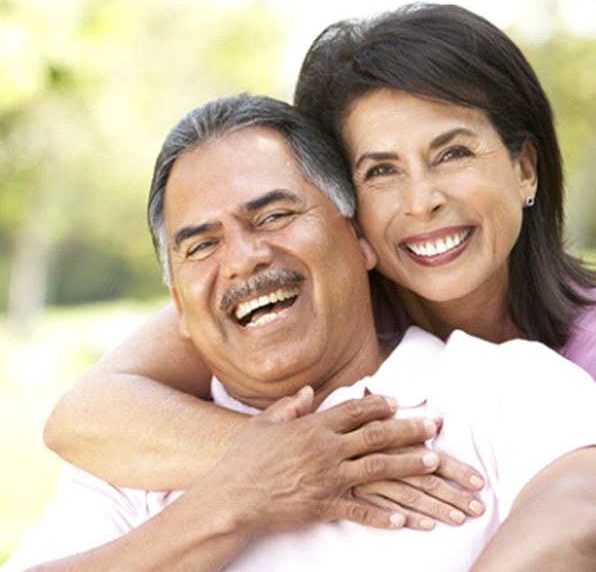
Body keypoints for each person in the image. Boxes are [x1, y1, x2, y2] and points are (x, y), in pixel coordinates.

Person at [4, 93, 596, 572]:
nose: (243, 259)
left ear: (360, 237)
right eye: (202, 245)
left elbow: (577, 527)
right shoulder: (134, 457)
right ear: (179, 307)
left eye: (275, 216)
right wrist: (238, 497)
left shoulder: (509, 387)